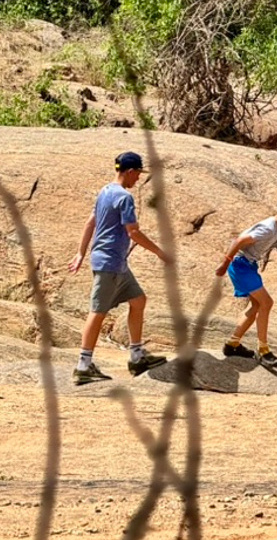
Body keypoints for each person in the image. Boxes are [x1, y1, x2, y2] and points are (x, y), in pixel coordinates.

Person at [68, 151, 173, 385]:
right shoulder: (124, 198)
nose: (138, 179)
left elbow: (90, 221)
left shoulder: (105, 191)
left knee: (138, 300)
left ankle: (137, 357)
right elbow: (133, 232)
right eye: (137, 173)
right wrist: (159, 252)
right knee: (97, 312)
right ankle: (83, 366)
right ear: (129, 171)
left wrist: (80, 253)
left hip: (115, 263)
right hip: (110, 263)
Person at [216, 192, 277, 368]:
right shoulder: (268, 228)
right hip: (240, 264)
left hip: (248, 266)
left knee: (257, 305)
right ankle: (264, 350)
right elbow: (240, 240)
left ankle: (232, 344)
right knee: (267, 303)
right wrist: (224, 263)